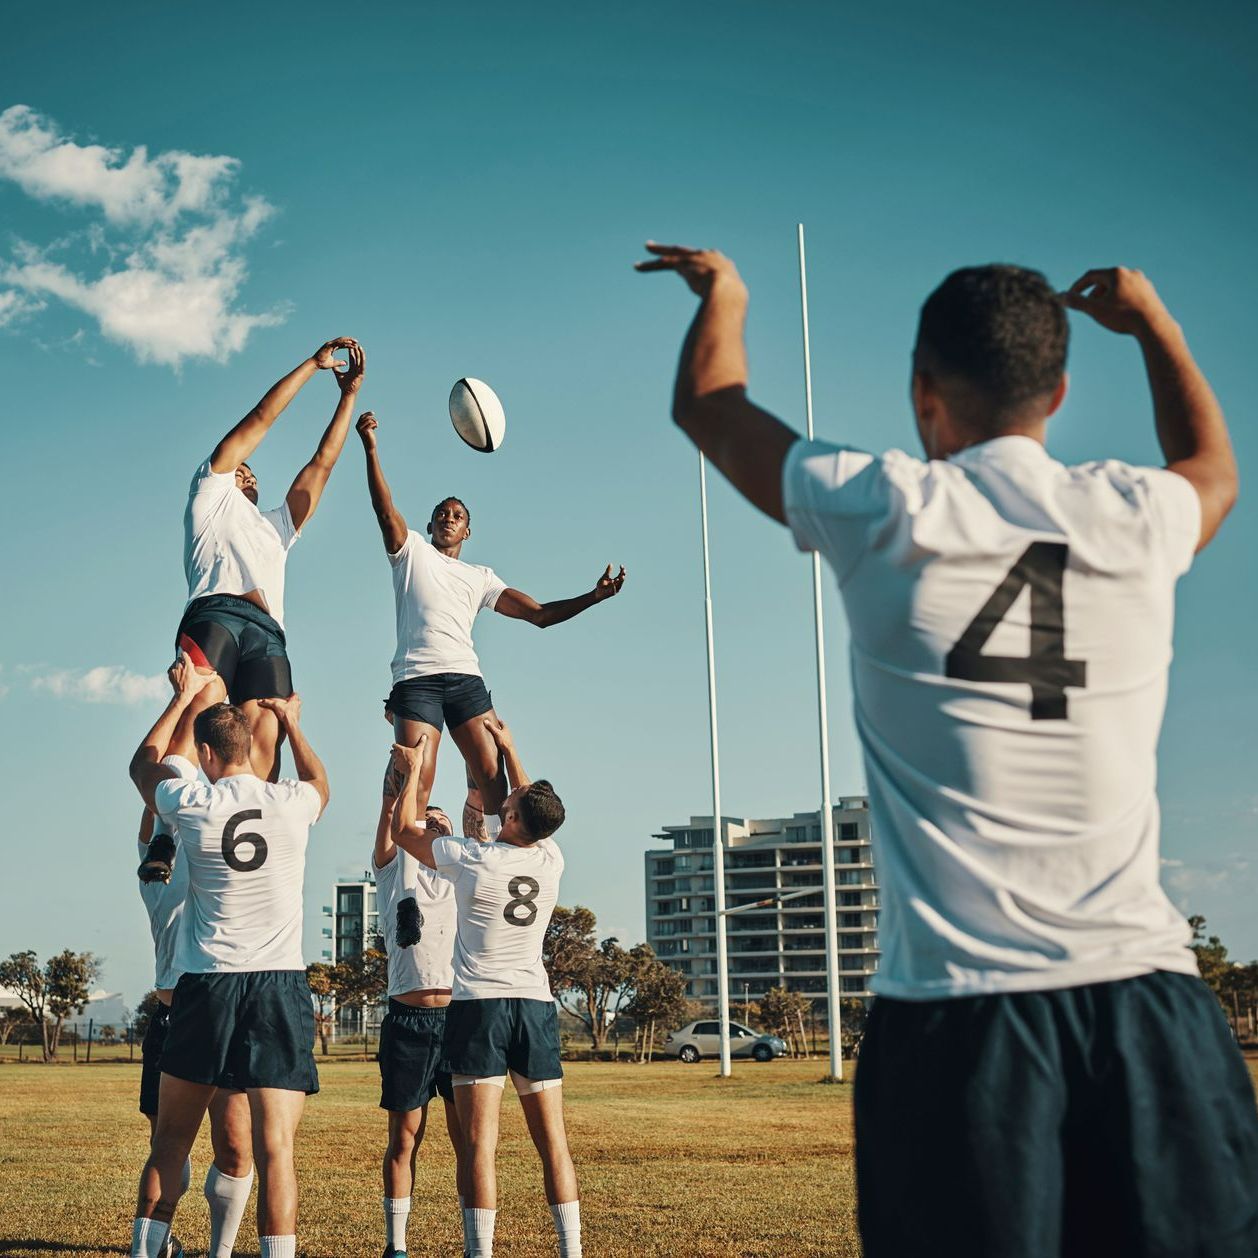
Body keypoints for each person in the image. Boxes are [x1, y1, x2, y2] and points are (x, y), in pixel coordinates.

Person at [638, 245, 1255, 1257]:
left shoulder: (883, 507)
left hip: (961, 1023)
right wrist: (1155, 325)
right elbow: (1215, 471)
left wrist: (726, 293)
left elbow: (710, 406)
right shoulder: (1134, 514)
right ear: (1059, 392)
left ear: (923, 392)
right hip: (1148, 1012)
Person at [126, 652, 328, 1258]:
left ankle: (145, 1250)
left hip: (208, 982)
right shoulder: (292, 802)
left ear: (208, 755)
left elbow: (143, 765)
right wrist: (292, 724)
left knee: (170, 1143)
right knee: (275, 1152)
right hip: (278, 986)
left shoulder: (194, 801)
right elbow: (320, 783)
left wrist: (183, 697)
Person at [356, 409, 625, 819]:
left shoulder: (480, 576)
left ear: (467, 531)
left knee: (492, 775)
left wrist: (594, 596)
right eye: (442, 513)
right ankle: (410, 858)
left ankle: (500, 848)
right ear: (429, 525)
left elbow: (539, 614)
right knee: (417, 779)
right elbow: (384, 509)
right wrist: (371, 449)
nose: (448, 518)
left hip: (465, 680)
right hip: (417, 680)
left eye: (457, 516)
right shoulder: (411, 552)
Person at [389, 718, 581, 1258]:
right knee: (554, 1144)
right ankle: (571, 1250)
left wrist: (411, 771)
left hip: (480, 1009)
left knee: (479, 1146)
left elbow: (404, 831)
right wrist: (511, 749)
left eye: (510, 804)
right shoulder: (550, 857)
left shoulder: (473, 858)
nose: (506, 800)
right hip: (534, 1006)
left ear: (513, 818)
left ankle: (480, 1252)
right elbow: (529, 802)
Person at [171, 336, 364, 786]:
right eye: (241, 468)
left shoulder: (277, 526)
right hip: (216, 613)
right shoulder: (210, 492)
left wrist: (348, 397)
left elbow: (322, 464)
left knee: (266, 734)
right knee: (201, 707)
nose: (247, 472)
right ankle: (166, 818)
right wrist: (312, 365)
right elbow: (262, 417)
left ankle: (250, 815)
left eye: (251, 471)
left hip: (267, 632)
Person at [136, 800, 255, 1258]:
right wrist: (159, 791)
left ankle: (220, 1251)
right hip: (171, 1021)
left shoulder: (223, 868)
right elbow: (150, 813)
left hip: (225, 1015)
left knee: (235, 1145)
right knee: (168, 1145)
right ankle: (158, 1245)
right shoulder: (156, 879)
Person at [372, 763, 464, 1258]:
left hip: (458, 1020)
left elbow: (481, 829)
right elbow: (392, 822)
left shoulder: (463, 876)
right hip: (408, 1022)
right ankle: (397, 1244)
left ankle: (476, 1243)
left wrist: (454, 830)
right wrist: (397, 791)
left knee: (468, 1141)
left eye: (439, 824)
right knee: (405, 1138)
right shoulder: (395, 873)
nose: (431, 828)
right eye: (424, 823)